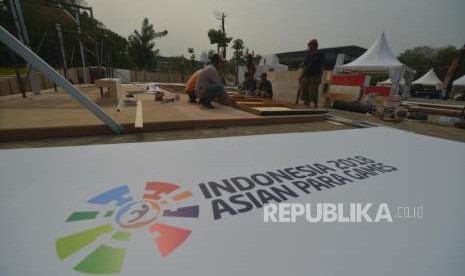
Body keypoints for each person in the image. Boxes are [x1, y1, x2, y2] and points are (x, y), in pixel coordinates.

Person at [299, 39, 325, 107]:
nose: (309, 47)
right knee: (304, 90)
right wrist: (301, 76)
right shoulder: (309, 56)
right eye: (309, 45)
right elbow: (305, 67)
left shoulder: (320, 55)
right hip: (306, 76)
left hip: (315, 76)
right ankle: (306, 104)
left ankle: (315, 105)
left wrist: (320, 77)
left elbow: (322, 66)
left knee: (312, 92)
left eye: (310, 45)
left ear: (314, 46)